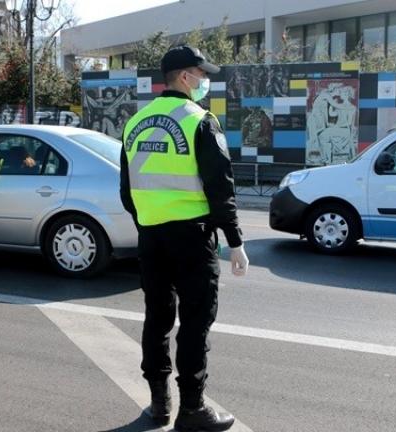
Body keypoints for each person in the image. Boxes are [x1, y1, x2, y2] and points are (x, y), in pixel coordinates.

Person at [120, 45, 249, 432]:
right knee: (195, 322)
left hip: (152, 238)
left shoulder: (134, 122)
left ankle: (158, 405)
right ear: (183, 77)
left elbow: (127, 191)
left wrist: (149, 223)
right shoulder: (200, 120)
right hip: (192, 239)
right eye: (200, 73)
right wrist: (236, 241)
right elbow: (220, 187)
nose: (204, 80)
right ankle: (192, 410)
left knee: (157, 318)